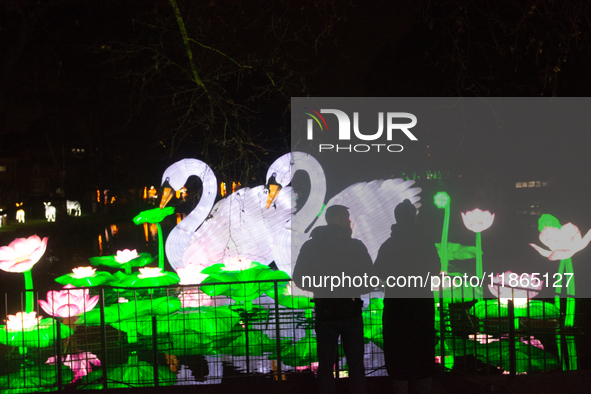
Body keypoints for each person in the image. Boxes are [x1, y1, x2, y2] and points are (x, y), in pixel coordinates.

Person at [293, 205, 373, 394]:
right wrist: (354, 290)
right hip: (351, 311)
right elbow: (370, 278)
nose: (349, 222)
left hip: (324, 310)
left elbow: (299, 277)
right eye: (346, 218)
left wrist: (320, 287)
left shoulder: (311, 246)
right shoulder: (355, 246)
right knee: (356, 364)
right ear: (339, 220)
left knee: (326, 364)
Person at [373, 199, 439, 394]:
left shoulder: (389, 245)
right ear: (414, 217)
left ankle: (401, 388)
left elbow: (378, 273)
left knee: (398, 351)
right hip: (421, 304)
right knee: (423, 349)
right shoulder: (426, 243)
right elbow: (435, 269)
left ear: (396, 218)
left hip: (396, 306)